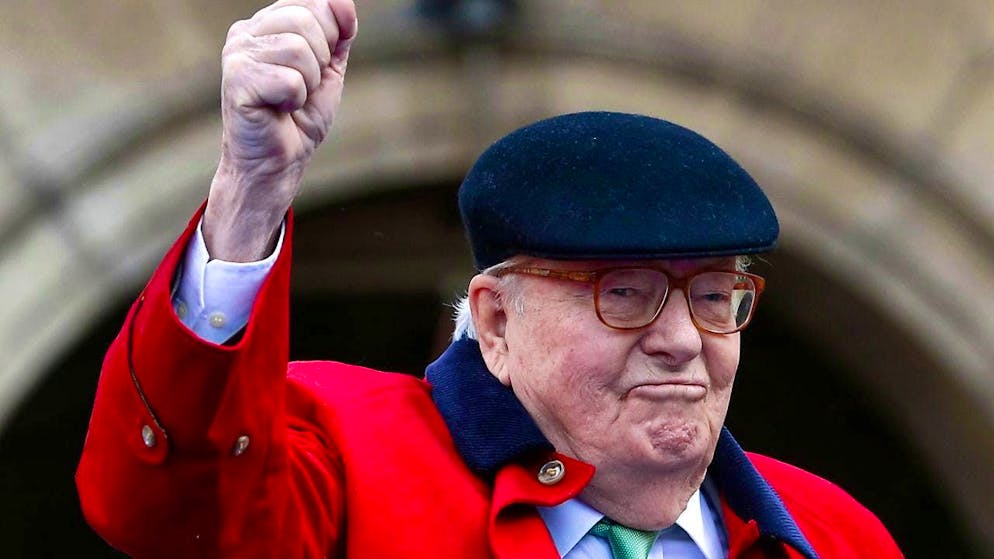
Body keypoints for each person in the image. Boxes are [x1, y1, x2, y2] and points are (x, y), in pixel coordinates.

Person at [75, 1, 904, 557]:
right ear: (496, 322)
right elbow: (173, 511)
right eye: (624, 293)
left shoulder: (837, 533)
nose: (684, 340)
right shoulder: (349, 457)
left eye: (716, 296)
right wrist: (249, 191)